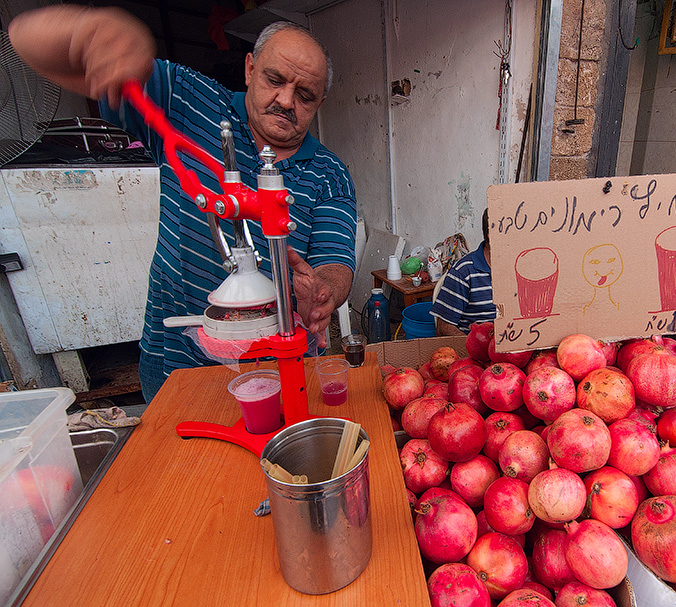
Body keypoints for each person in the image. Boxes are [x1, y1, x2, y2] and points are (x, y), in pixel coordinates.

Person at [9, 7, 357, 403]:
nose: (285, 100)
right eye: (274, 79)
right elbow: (25, 37)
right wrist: (97, 32)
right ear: (249, 68)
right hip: (176, 361)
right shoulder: (185, 100)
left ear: (321, 101)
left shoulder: (330, 173)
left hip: (281, 366)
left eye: (305, 95)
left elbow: (335, 261)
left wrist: (321, 291)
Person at [431, 209, 496, 335]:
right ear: (492, 235)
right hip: (477, 349)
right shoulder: (464, 272)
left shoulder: (519, 268)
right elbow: (444, 327)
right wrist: (474, 346)